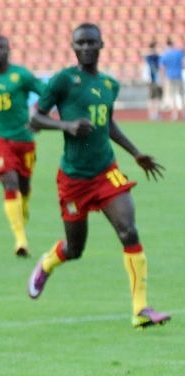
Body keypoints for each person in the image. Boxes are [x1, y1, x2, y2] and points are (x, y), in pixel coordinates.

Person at [28, 23, 170, 329]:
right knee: (75, 249)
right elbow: (34, 118)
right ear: (73, 47)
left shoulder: (109, 84)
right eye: (80, 43)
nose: (86, 47)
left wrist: (135, 153)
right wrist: (66, 126)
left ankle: (140, 309)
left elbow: (108, 123)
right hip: (73, 178)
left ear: (101, 44)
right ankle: (48, 262)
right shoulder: (63, 81)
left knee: (129, 231)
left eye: (91, 42)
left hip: (106, 171)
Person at [0, 35, 44, 257]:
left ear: (8, 50)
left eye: (2, 47)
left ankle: (24, 209)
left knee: (24, 186)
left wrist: (39, 116)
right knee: (10, 183)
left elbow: (46, 92)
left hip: (24, 139)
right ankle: (20, 240)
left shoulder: (21, 75)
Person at [158, 38, 183, 121]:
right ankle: (183, 113)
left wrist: (161, 79)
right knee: (181, 95)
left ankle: (174, 114)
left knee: (172, 96)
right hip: (178, 76)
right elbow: (183, 63)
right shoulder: (179, 53)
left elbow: (162, 68)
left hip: (169, 77)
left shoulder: (165, 54)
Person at [144, 41, 162, 121]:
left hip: (156, 80)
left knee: (156, 98)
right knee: (153, 98)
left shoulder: (156, 57)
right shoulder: (150, 58)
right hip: (152, 80)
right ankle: (152, 114)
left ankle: (156, 113)